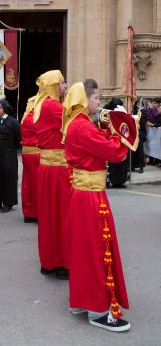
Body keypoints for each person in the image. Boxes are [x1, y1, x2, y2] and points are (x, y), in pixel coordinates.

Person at [62, 79, 131, 332]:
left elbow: (98, 142)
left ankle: (81, 301)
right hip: (90, 196)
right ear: (84, 99)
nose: (99, 103)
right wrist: (123, 130)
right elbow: (113, 152)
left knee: (83, 250)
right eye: (96, 98)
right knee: (96, 250)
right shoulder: (81, 126)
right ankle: (98, 309)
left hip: (82, 193)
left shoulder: (76, 124)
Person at [33, 71, 70, 279]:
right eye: (62, 83)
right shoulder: (53, 106)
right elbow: (72, 121)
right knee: (62, 216)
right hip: (57, 168)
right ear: (54, 86)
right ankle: (62, 263)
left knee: (48, 217)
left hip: (47, 166)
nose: (65, 86)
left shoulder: (41, 104)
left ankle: (48, 261)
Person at [0, 100, 21, 213]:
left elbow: (18, 139)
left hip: (8, 155)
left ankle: (8, 203)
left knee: (8, 178)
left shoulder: (13, 122)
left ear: (4, 109)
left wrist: (9, 149)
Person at [20, 96, 39, 223]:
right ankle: (36, 212)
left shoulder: (25, 117)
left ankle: (28, 212)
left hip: (27, 153)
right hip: (36, 154)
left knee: (27, 184)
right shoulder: (34, 118)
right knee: (37, 184)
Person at [102, 98, 129, 187]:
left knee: (121, 164)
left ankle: (120, 181)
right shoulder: (106, 115)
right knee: (112, 164)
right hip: (111, 141)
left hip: (120, 140)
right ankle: (111, 180)